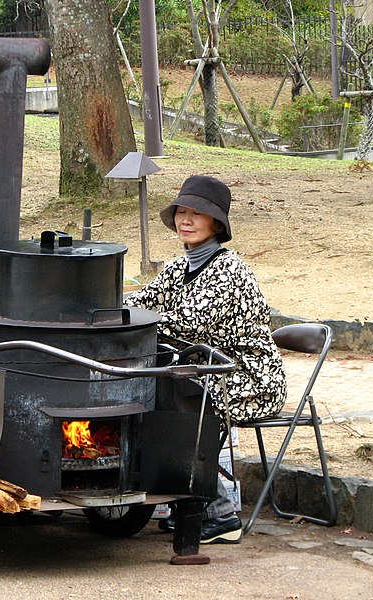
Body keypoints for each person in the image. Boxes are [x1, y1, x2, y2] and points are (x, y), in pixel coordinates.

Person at [125, 174, 287, 544]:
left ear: (216, 223)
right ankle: (179, 500)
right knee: (157, 389)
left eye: (196, 213)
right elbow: (142, 301)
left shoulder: (230, 270)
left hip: (248, 377)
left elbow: (189, 323)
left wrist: (140, 318)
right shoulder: (178, 268)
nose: (185, 220)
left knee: (183, 401)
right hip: (205, 370)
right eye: (181, 211)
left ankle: (220, 514)